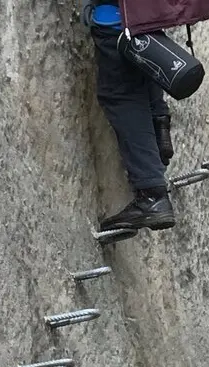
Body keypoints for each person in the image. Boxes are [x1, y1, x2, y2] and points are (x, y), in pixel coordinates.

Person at [82, 0, 177, 233]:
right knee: (144, 55)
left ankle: (152, 194)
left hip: (115, 18)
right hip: (147, 13)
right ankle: (158, 125)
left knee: (121, 96)